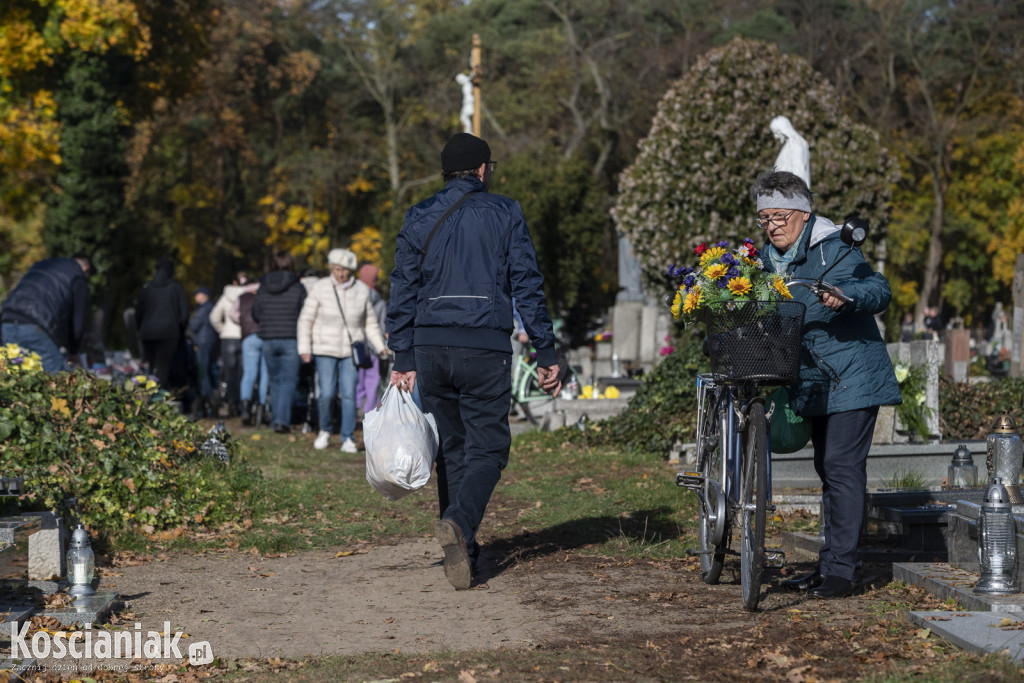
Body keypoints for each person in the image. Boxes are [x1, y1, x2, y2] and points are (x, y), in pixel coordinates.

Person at [387, 132, 561, 589]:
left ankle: (462, 548)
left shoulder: (419, 214)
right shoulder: (505, 212)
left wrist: (402, 353)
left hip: (429, 346)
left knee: (453, 448)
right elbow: (527, 282)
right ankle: (460, 525)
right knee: (489, 447)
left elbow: (402, 287)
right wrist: (546, 349)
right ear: (483, 170)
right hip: (484, 344)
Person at [753, 169, 901, 599]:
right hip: (813, 379)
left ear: (803, 214)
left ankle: (842, 573)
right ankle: (830, 563)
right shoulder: (764, 261)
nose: (773, 226)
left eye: (780, 216)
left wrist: (846, 295)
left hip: (852, 374)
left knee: (841, 467)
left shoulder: (834, 248)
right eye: (765, 219)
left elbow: (878, 289)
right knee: (828, 471)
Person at [298, 248, 387, 453]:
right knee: (327, 393)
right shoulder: (320, 288)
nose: (341, 274)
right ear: (332, 268)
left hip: (350, 351)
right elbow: (306, 320)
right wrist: (305, 348)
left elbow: (370, 323)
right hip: (324, 349)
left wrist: (380, 346)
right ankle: (325, 430)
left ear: (351, 271)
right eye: (338, 269)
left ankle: (347, 437)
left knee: (348, 394)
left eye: (345, 270)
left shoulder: (362, 291)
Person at [0, 254, 91, 373]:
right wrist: (74, 352)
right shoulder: (77, 277)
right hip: (36, 326)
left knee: (15, 377)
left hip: (7, 322)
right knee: (56, 380)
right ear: (86, 269)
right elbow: (76, 323)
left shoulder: (42, 267)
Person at [253, 250, 307, 434]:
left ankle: (276, 419)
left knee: (275, 380)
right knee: (289, 380)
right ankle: (282, 421)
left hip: (268, 338)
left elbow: (256, 312)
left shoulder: (263, 286)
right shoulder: (298, 287)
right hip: (291, 337)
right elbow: (304, 313)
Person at [133, 257, 190, 389]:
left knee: (153, 366)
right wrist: (180, 328)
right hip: (169, 333)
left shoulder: (146, 288)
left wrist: (140, 328)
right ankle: (159, 396)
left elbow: (138, 312)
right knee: (164, 367)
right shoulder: (176, 288)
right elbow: (184, 313)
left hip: (148, 333)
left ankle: (151, 393)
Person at [209, 272, 248, 416]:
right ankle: (242, 404)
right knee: (243, 374)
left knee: (230, 373)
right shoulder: (250, 294)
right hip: (245, 336)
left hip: (228, 337)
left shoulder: (225, 297)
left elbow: (214, 317)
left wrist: (222, 329)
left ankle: (231, 403)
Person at [354, 264, 387, 416]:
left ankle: (355, 410)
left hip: (357, 347)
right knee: (373, 382)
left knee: (357, 382)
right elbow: (381, 326)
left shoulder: (354, 296)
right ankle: (370, 413)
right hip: (375, 347)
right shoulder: (380, 302)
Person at [237, 285, 268, 425]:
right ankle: (262, 407)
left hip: (249, 336)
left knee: (249, 374)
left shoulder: (243, 298)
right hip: (266, 336)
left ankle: (245, 405)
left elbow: (233, 314)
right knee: (265, 375)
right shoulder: (267, 296)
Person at [187, 286, 218, 417]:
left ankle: (208, 397)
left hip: (203, 341)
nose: (195, 297)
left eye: (197, 294)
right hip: (207, 340)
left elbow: (194, 325)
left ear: (204, 295)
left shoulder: (204, 308)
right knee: (207, 369)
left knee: (202, 371)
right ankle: (209, 399)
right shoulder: (208, 307)